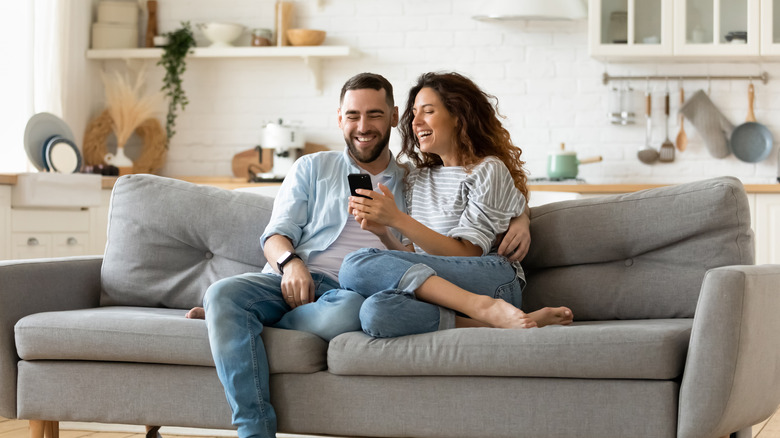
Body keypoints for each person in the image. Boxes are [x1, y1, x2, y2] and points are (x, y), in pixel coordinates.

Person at [197, 72, 532, 438]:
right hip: (294, 279)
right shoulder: (312, 167)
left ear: (392, 117)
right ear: (340, 119)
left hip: (350, 293)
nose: (363, 126)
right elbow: (275, 235)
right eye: (353, 115)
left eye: (374, 114)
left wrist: (522, 218)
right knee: (222, 294)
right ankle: (254, 431)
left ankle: (238, 323)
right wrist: (290, 264)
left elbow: (481, 197)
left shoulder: (410, 179)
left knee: (351, 307)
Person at [340, 72, 573, 338]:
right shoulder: (417, 178)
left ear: (458, 116)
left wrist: (397, 219)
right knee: (375, 312)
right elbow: (414, 258)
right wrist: (383, 232)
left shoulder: (487, 170)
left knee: (354, 264)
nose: (415, 122)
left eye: (428, 111)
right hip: (440, 287)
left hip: (490, 280)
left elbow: (467, 254)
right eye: (414, 113)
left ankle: (485, 306)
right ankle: (494, 321)